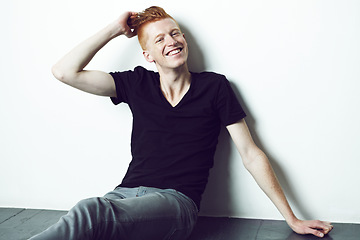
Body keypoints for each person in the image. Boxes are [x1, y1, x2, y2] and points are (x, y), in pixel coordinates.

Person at [30, 6, 333, 240]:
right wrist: (113, 29)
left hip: (176, 202)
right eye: (159, 39)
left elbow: (251, 154)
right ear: (148, 55)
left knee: (90, 212)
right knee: (93, 222)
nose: (171, 41)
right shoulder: (137, 83)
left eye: (174, 33)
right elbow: (64, 72)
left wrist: (291, 218)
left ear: (184, 39)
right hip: (123, 196)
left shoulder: (214, 87)